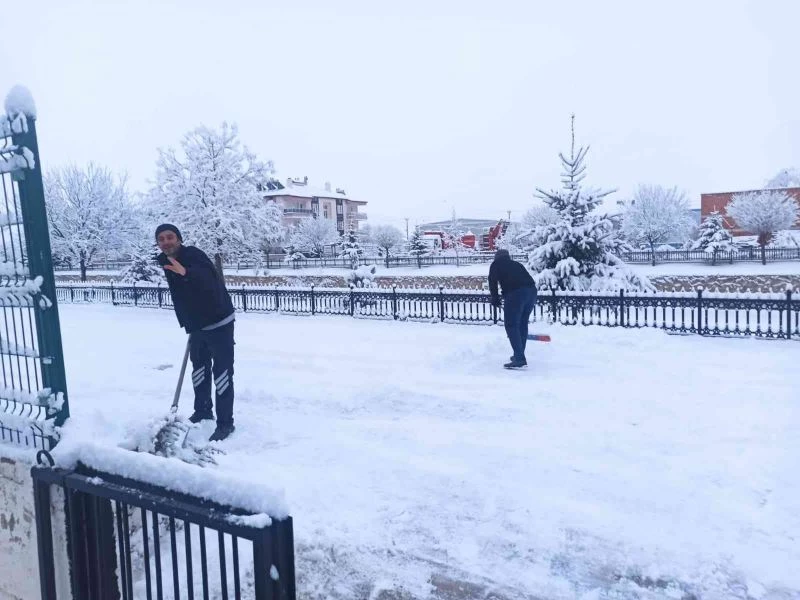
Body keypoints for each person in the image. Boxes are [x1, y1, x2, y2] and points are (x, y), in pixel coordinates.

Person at [155, 224, 236, 441]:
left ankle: (226, 423)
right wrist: (190, 323)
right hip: (198, 325)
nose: (166, 242)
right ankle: (202, 410)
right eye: (161, 239)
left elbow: (208, 280)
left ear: (179, 239)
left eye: (170, 237)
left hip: (219, 322)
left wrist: (186, 272)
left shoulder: (193, 255)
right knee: (199, 370)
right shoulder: (165, 262)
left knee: (222, 373)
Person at [488, 249, 537, 369]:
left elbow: (492, 282)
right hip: (531, 292)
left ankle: (519, 358)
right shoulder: (516, 264)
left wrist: (495, 298)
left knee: (511, 325)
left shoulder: (496, 264)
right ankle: (519, 354)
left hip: (516, 294)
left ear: (497, 257)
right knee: (522, 324)